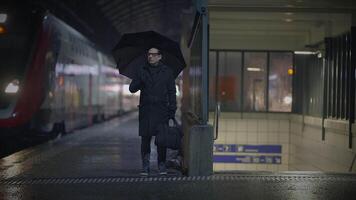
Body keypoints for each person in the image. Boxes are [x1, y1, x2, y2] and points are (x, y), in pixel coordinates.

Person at [129, 47, 177, 176]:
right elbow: (132, 89)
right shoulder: (141, 70)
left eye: (153, 54)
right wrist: (140, 80)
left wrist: (172, 109)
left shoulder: (167, 72)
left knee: (162, 139)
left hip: (162, 110)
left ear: (160, 56)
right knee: (145, 139)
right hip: (146, 110)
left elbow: (172, 92)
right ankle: (145, 166)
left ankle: (161, 165)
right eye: (149, 54)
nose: (150, 56)